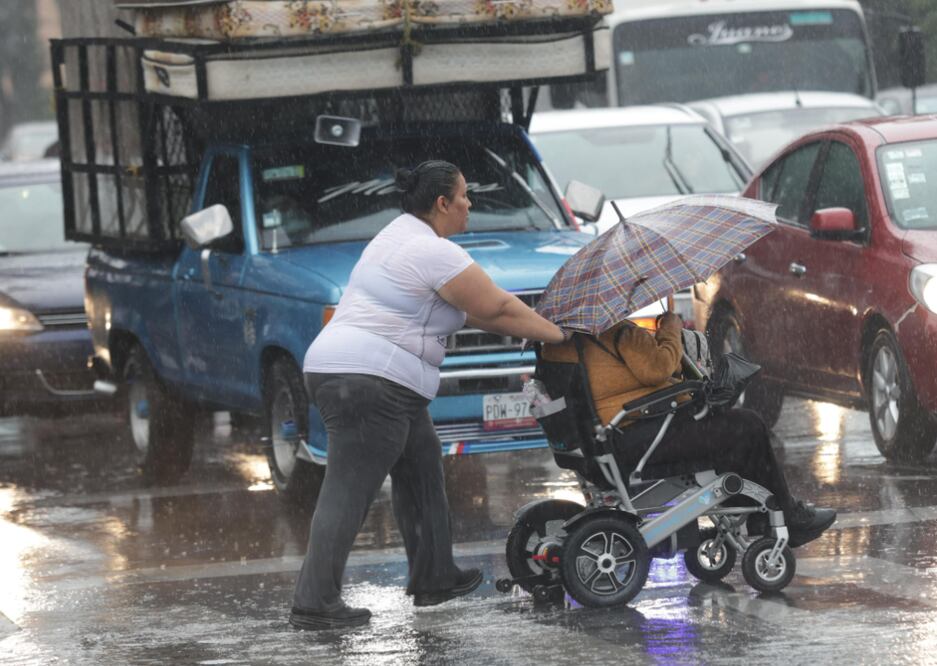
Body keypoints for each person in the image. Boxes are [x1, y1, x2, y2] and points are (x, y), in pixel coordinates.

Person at [290, 160, 569, 631]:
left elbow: (474, 310)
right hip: (368, 381)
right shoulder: (431, 252)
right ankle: (314, 602)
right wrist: (564, 337)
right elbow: (496, 306)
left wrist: (538, 326)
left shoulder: (398, 238)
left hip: (361, 375)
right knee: (348, 489)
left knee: (421, 463)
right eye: (464, 196)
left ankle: (434, 573)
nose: (470, 204)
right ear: (442, 204)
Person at [541, 311, 837, 547]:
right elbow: (659, 368)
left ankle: (758, 516)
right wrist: (670, 326)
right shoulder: (617, 332)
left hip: (601, 446)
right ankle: (787, 516)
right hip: (637, 440)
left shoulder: (557, 345)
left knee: (724, 430)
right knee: (747, 426)